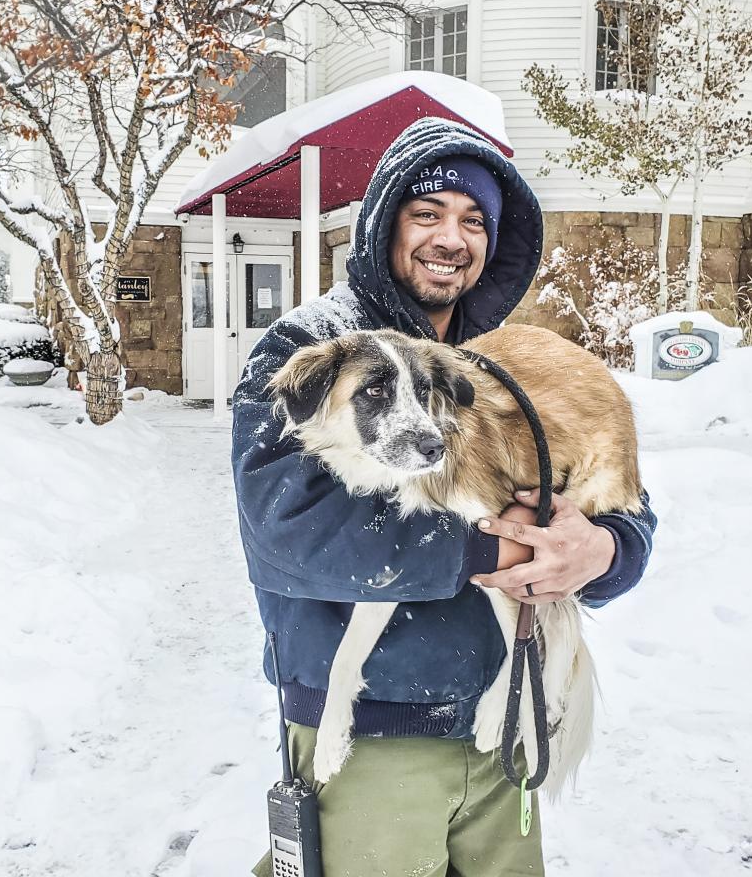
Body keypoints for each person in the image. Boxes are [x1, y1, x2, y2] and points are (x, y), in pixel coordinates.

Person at [232, 117, 657, 877]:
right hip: (370, 731)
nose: (450, 238)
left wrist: (605, 551)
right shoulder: (310, 348)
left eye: (472, 221)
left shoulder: (497, 363)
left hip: (504, 723)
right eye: (427, 214)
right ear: (385, 223)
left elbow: (615, 492)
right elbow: (285, 531)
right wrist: (494, 548)